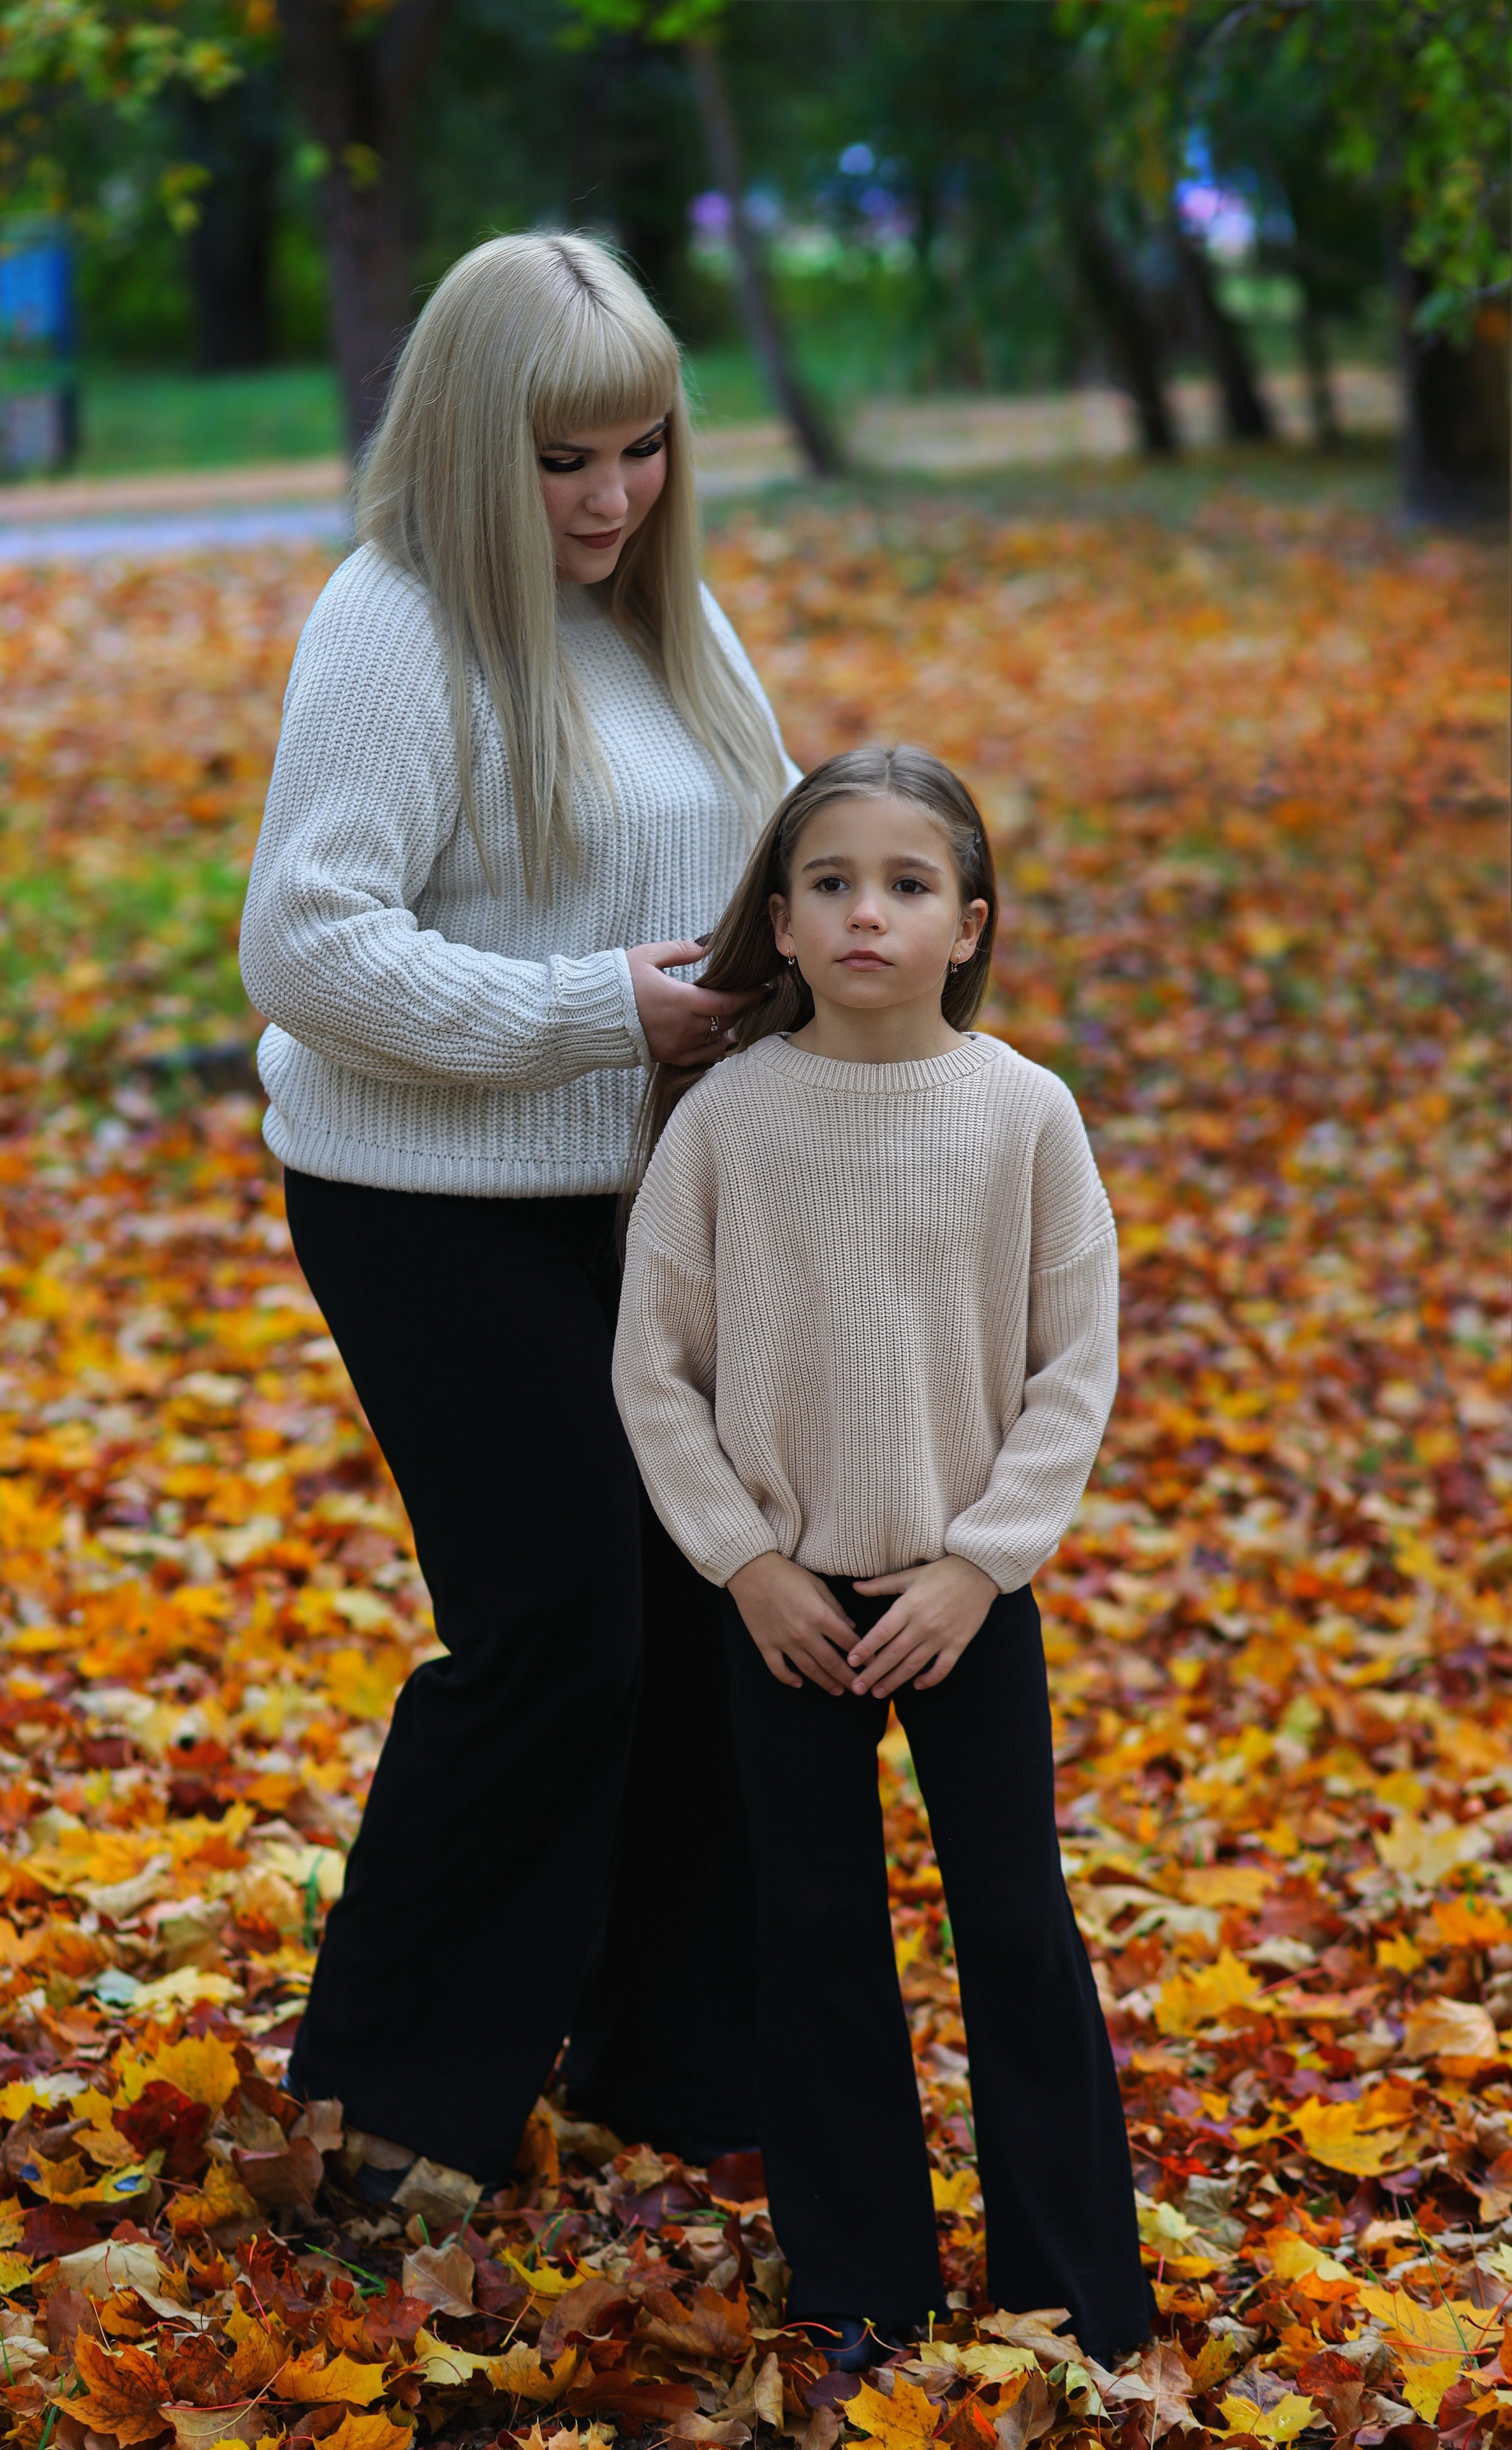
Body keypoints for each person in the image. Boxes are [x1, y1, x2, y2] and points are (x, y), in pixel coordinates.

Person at [239, 232, 795, 2194]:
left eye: (641, 446)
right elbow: (306, 942)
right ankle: (387, 2112)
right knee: (560, 1621)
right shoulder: (396, 620)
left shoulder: (667, 613)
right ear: (476, 443)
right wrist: (597, 1012)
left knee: (701, 1617)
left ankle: (683, 2068)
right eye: (566, 459)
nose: (613, 495)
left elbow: (775, 849)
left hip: (655, 1204)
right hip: (427, 1204)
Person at [612, 745, 1154, 2367]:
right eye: (831, 883)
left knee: (1011, 1916)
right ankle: (863, 2282)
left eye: (907, 886)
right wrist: (741, 1563)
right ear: (776, 920)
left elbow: (1075, 1360)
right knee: (816, 1927)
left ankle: (1070, 2282)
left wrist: (983, 1563)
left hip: (963, 1596)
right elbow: (654, 1366)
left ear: (967, 922)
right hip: (781, 1601)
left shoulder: (1023, 1114)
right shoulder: (725, 1121)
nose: (867, 913)